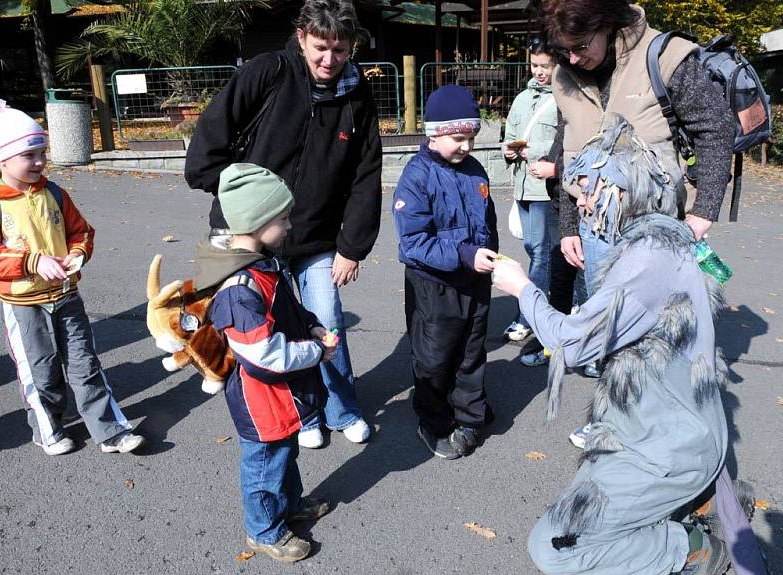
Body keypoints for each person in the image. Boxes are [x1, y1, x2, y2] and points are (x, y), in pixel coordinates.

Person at [492, 114, 738, 575]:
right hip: (663, 433)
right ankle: (690, 500)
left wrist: (522, 289)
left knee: (553, 547)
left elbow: (572, 344)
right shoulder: (664, 237)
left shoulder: (647, 259)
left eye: (587, 190)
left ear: (623, 190)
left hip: (667, 448)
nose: (580, 202)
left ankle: (689, 548)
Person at [185, 0, 381, 449]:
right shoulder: (268, 72)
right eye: (319, 48)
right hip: (253, 240)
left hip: (315, 237)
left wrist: (352, 246)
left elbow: (366, 174)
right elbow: (213, 132)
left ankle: (342, 408)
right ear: (301, 37)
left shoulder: (357, 95)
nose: (329, 60)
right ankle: (304, 415)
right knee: (271, 332)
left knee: (326, 323)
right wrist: (231, 191)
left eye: (340, 49)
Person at [540, 0, 735, 445]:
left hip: (655, 231)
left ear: (606, 24)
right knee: (609, 332)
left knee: (658, 334)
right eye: (563, 50)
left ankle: (658, 425)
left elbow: (715, 128)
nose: (573, 59)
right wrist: (569, 225)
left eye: (580, 46)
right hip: (594, 230)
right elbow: (568, 146)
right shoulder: (564, 73)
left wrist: (703, 210)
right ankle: (613, 419)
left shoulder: (665, 56)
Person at [0, 100, 145, 455]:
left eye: (42, 152)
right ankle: (47, 429)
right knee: (40, 371)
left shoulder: (55, 194)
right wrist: (31, 262)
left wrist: (78, 253)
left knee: (85, 364)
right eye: (29, 155)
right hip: (23, 305)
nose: (40, 161)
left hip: (66, 296)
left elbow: (82, 232)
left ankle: (110, 430)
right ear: (1, 159)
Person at [201, 163, 334, 563]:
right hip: (261, 400)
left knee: (285, 454)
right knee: (264, 467)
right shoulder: (240, 288)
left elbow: (290, 309)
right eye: (283, 218)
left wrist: (310, 326)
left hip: (281, 395)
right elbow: (262, 357)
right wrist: (315, 352)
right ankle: (264, 530)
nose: (290, 226)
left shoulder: (263, 264)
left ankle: (290, 505)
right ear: (257, 223)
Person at [392, 85, 498, 460]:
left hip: (474, 281)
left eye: (471, 137)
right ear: (433, 133)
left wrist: (491, 259)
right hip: (434, 285)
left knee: (471, 351)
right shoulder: (416, 177)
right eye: (458, 138)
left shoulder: (475, 170)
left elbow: (488, 223)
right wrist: (466, 255)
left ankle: (469, 416)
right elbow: (413, 243)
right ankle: (434, 420)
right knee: (435, 358)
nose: (466, 146)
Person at [501, 39, 563, 366]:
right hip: (522, 187)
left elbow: (563, 140)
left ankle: (529, 317)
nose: (539, 72)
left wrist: (533, 148)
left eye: (545, 66)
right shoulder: (523, 98)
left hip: (545, 191)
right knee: (533, 250)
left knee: (540, 254)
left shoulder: (563, 98)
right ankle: (545, 305)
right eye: (534, 65)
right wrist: (509, 150)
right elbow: (509, 133)